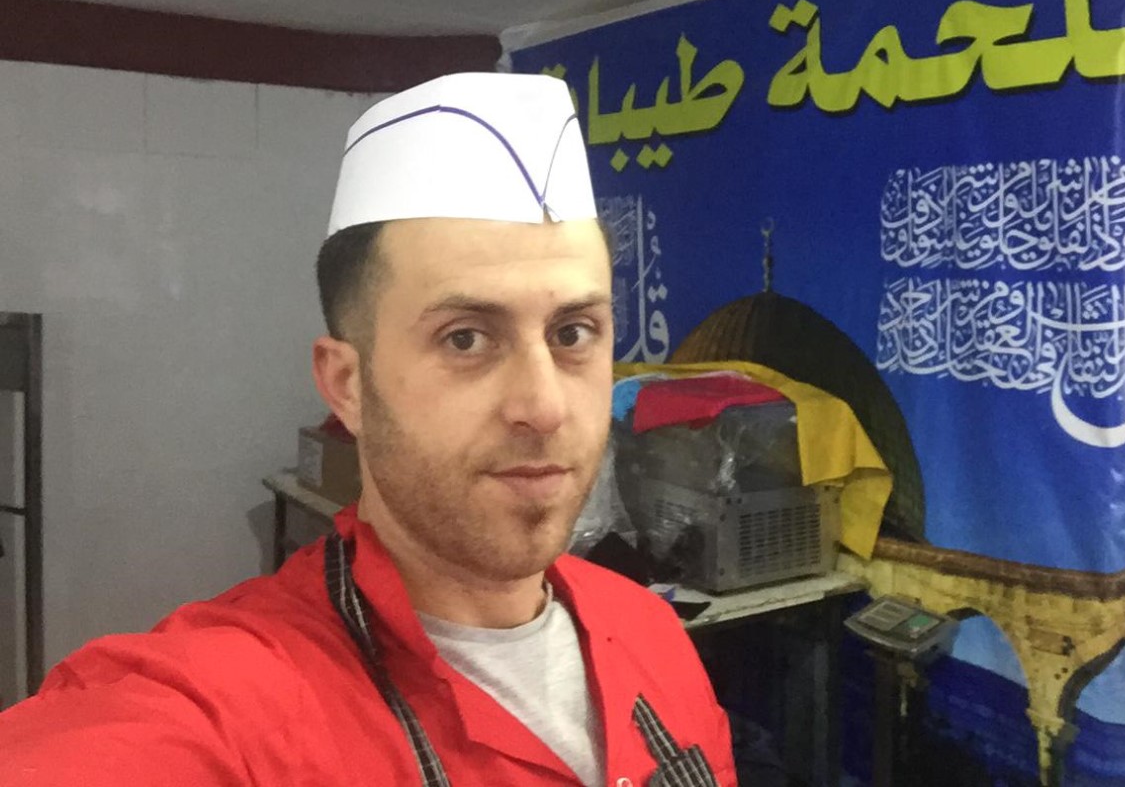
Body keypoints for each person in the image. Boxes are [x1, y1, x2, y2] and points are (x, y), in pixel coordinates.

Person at [0, 73, 737, 786]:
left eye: (572, 332)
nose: (544, 407)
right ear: (347, 384)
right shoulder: (239, 703)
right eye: (466, 339)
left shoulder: (650, 634)